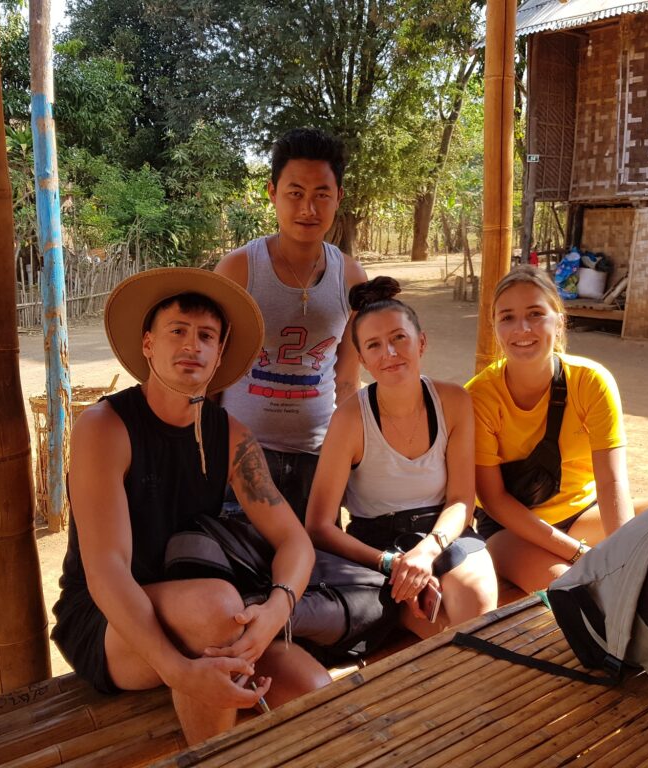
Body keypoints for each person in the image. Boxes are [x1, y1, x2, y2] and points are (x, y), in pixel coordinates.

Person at [51, 268, 330, 746]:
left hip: (209, 614)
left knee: (314, 690)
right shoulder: (105, 428)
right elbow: (108, 572)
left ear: (220, 353)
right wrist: (179, 670)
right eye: (177, 331)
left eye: (206, 336)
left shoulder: (232, 438)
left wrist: (275, 610)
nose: (192, 346)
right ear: (147, 344)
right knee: (216, 606)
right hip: (106, 620)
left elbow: (294, 541)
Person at [305, 277, 498, 638]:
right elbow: (318, 525)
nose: (389, 353)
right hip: (377, 547)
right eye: (374, 345)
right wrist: (394, 564)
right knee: (438, 629)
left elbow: (460, 501)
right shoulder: (349, 420)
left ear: (421, 342)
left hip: (444, 533)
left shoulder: (453, 401)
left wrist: (426, 552)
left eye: (398, 338)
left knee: (478, 608)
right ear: (362, 359)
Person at [216, 128, 367, 522]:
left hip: (317, 459)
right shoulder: (238, 269)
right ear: (272, 193)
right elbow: (212, 373)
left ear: (339, 198)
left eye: (321, 194)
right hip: (241, 455)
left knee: (316, 574)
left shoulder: (351, 278)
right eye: (295, 193)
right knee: (243, 570)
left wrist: (343, 455)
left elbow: (348, 377)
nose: (308, 209)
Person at [466, 265, 639, 595]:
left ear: (559, 320)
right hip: (511, 530)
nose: (522, 328)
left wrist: (626, 554)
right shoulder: (479, 397)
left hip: (582, 514)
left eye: (535, 313)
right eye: (507, 317)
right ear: (494, 326)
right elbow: (494, 499)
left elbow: (611, 480)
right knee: (575, 591)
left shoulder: (591, 381)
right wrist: (578, 553)